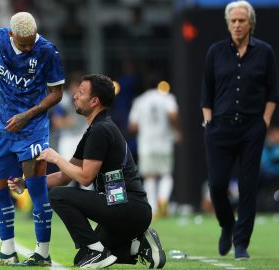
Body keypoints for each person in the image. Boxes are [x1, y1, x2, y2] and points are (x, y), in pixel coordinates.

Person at [10, 74, 166, 269]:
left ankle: (96, 251)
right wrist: (26, 183)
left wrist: (56, 157)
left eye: (81, 92)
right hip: (124, 208)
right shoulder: (96, 129)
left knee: (58, 197)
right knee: (81, 257)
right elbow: (63, 177)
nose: (75, 96)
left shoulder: (101, 130)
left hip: (127, 206)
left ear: (94, 101)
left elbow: (85, 178)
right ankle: (138, 245)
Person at [0, 12, 65, 266]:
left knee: (36, 189)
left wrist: (27, 115)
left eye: (32, 41)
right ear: (11, 35)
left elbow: (57, 94)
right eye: (24, 44)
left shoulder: (47, 51)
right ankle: (8, 251)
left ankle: (42, 254)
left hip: (32, 130)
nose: (29, 47)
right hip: (2, 128)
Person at [200, 1, 278, 260]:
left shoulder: (265, 52)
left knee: (247, 186)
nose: (237, 25)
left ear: (251, 23)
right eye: (233, 21)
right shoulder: (216, 51)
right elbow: (206, 92)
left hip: (251, 128)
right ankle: (227, 226)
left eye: (241, 20)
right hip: (219, 127)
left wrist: (264, 122)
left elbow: (273, 92)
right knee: (218, 185)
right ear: (227, 23)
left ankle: (241, 243)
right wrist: (208, 122)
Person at [128, 80, 181, 219]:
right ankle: (163, 199)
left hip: (146, 144)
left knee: (149, 175)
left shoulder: (140, 100)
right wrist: (177, 131)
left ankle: (153, 208)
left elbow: (132, 126)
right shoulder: (167, 98)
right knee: (166, 173)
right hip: (164, 142)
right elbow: (173, 115)